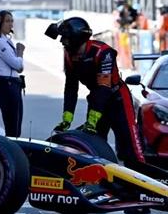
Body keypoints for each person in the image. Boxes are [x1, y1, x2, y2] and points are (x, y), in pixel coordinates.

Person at [45, 17, 145, 165]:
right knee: (94, 145)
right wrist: (67, 118)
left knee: (130, 146)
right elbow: (71, 88)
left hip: (118, 100)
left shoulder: (103, 53)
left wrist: (93, 119)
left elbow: (103, 88)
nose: (62, 42)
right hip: (96, 99)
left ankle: (140, 175)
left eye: (65, 38)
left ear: (77, 38)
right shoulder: (68, 55)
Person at [0, 10, 25, 137]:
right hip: (7, 86)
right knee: (12, 129)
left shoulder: (6, 41)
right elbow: (18, 65)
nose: (11, 24)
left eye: (12, 21)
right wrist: (20, 52)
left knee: (17, 128)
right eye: (7, 21)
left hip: (14, 85)